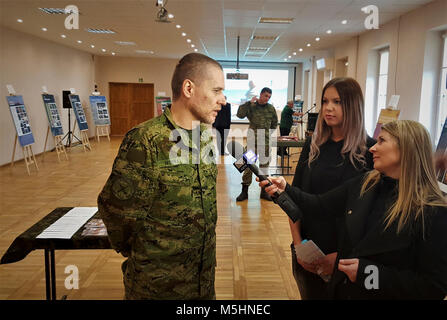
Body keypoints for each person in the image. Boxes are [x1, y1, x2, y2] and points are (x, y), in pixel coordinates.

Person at [259, 120, 447, 299]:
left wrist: (368, 275)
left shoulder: (432, 211)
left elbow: (432, 288)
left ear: (406, 149)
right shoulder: (365, 184)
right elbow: (319, 205)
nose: (373, 147)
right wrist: (286, 189)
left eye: (382, 141)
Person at [97, 53, 225, 300]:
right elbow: (115, 210)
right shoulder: (145, 140)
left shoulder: (205, 137)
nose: (223, 99)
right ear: (189, 88)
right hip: (157, 287)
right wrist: (145, 252)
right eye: (217, 90)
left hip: (202, 281)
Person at [290, 77, 375, 299]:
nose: (328, 108)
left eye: (337, 102)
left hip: (349, 256)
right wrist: (299, 246)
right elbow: (295, 197)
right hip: (308, 247)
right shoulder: (313, 145)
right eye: (325, 101)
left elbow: (374, 216)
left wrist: (339, 259)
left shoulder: (371, 151)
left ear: (353, 105)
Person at [236, 87, 278, 202]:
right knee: (248, 166)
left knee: (264, 167)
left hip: (265, 142)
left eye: (269, 97)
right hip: (252, 142)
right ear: (260, 94)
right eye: (265, 96)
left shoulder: (271, 108)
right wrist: (249, 102)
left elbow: (274, 124)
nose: (267, 98)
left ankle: (264, 192)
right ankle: (244, 192)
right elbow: (240, 114)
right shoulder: (252, 106)